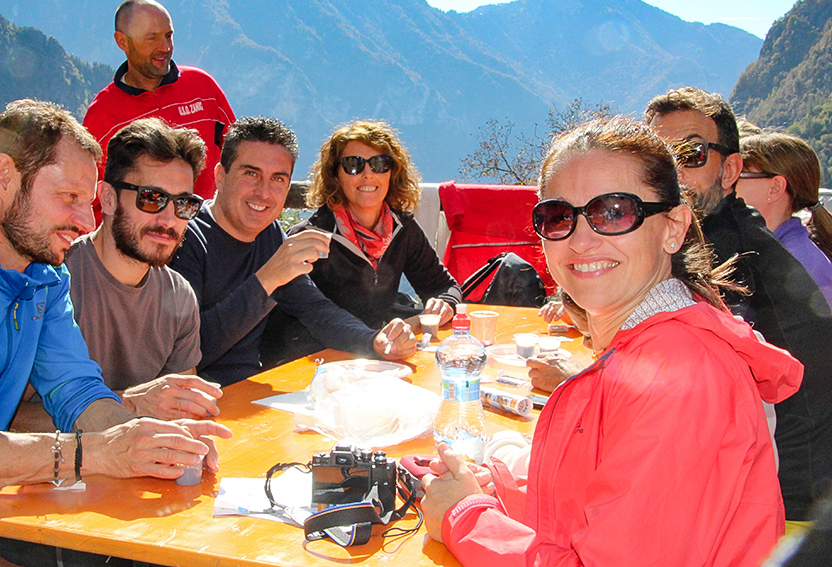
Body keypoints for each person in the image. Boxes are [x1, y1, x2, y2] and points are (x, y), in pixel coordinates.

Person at [421, 116, 803, 566]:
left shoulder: (680, 375)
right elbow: (597, 515)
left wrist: (466, 518)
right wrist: (497, 490)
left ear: (674, 227)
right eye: (559, 217)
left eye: (615, 212)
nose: (581, 240)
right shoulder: (645, 348)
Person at [0, 100, 231, 567]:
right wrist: (89, 453)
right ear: (4, 177)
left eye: (87, 202)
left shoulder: (44, 277)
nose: (86, 221)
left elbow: (77, 392)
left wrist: (151, 440)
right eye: (69, 198)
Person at [646, 87, 832, 524]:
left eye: (690, 154)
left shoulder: (731, 260)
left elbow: (691, 396)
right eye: (657, 157)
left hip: (783, 506)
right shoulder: (716, 234)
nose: (672, 172)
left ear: (730, 169)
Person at [9, 118, 221, 433]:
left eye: (184, 204)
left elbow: (181, 412)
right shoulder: (50, 283)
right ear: (107, 198)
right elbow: (7, 420)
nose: (169, 219)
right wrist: (126, 403)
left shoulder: (179, 296)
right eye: (152, 198)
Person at [169, 116, 415, 387]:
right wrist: (266, 280)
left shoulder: (270, 234)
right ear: (220, 176)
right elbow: (184, 354)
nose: (264, 192)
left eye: (277, 179)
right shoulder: (183, 238)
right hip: (200, 397)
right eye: (251, 174)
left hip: (253, 388)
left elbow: (315, 309)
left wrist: (374, 340)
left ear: (287, 188)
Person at [289, 120, 461, 330]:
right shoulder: (310, 237)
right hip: (325, 348)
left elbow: (441, 285)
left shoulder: (402, 228)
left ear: (392, 173)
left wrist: (445, 304)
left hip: (379, 343)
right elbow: (297, 318)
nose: (368, 174)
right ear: (335, 176)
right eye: (353, 165)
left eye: (380, 164)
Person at [83, 0, 235, 199]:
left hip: (212, 217)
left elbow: (240, 153)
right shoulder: (102, 114)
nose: (165, 47)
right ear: (122, 41)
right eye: (152, 38)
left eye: (168, 36)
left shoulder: (202, 86)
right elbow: (93, 197)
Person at [737, 131, 832, 308]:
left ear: (775, 188)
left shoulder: (794, 265)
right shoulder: (781, 253)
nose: (726, 183)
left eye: (738, 175)